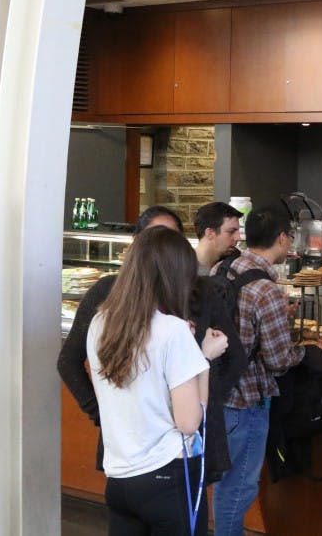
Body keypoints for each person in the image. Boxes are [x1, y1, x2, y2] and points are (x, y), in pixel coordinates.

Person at [58, 206, 247, 484]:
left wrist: (201, 406)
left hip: (182, 443)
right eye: (152, 239)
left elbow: (235, 358)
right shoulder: (107, 295)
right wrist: (101, 413)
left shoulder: (201, 293)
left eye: (169, 239)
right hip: (129, 445)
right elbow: (68, 361)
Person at [87, 225, 229, 535]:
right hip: (168, 477)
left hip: (119, 479)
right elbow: (189, 422)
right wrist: (203, 359)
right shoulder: (172, 331)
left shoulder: (99, 323)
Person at [212, 205, 307, 536]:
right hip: (247, 403)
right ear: (282, 238)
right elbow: (279, 360)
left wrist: (282, 318)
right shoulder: (266, 289)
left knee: (224, 486)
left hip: (215, 394)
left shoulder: (223, 270)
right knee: (237, 491)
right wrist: (305, 351)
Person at [194, 201, 243, 275]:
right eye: (231, 231)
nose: (238, 238)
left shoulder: (236, 264)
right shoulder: (181, 269)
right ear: (210, 233)